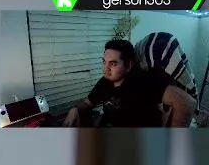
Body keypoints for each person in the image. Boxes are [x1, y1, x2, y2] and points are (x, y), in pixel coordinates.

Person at [64, 39, 195, 128]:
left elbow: (187, 103)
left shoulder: (143, 81)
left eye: (113, 64)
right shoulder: (105, 82)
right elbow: (86, 103)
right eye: (104, 62)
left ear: (128, 65)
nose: (106, 69)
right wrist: (74, 110)